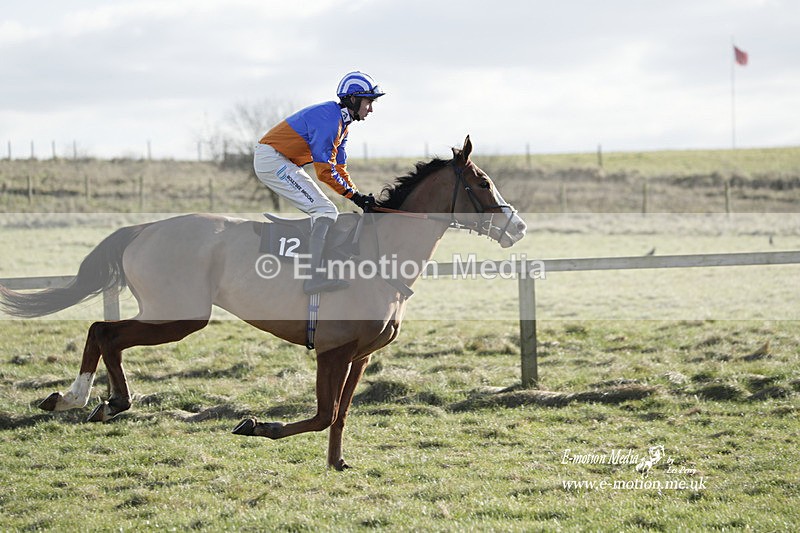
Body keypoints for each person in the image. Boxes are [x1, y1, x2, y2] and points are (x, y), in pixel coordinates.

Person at [254, 71, 385, 294]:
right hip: (272, 160)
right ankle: (314, 277)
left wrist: (357, 195)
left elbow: (339, 168)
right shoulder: (330, 120)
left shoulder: (342, 123)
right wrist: (354, 197)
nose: (371, 109)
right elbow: (324, 171)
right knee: (324, 210)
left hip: (281, 160)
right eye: (368, 102)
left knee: (326, 210)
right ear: (353, 99)